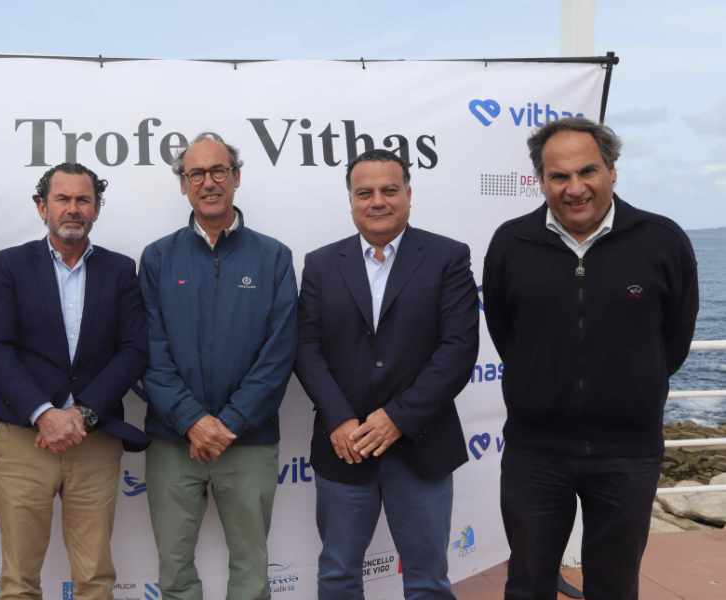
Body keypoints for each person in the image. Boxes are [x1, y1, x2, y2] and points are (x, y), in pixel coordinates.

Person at [482, 117, 699, 600]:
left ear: (612, 171)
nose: (575, 188)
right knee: (528, 585)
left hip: (627, 452)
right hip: (535, 452)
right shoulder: (510, 243)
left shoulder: (662, 240)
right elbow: (505, 331)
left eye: (588, 171)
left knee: (615, 588)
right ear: (541, 180)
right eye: (559, 176)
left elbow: (675, 340)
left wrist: (628, 388)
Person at [295, 148, 479, 600]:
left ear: (408, 194)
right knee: (338, 574)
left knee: (427, 579)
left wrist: (397, 418)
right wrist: (339, 419)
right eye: (365, 192)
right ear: (351, 200)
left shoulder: (448, 257)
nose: (377, 201)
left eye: (389, 190)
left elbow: (457, 350)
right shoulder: (320, 264)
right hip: (345, 445)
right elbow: (306, 347)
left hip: (421, 445)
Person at [139, 132, 298, 600]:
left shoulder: (273, 256)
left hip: (247, 440)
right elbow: (150, 350)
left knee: (251, 569)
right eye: (196, 174)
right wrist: (191, 420)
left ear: (236, 177)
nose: (208, 182)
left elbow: (280, 350)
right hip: (173, 440)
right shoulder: (158, 257)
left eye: (218, 171)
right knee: (174, 569)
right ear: (183, 185)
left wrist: (229, 422)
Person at [0, 162, 148, 600]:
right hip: (24, 439)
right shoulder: (10, 265)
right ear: (42, 207)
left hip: (94, 438)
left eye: (83, 200)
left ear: (96, 209)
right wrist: (44, 413)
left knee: (94, 577)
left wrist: (83, 413)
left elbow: (133, 350)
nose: (72, 209)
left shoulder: (120, 269)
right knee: (18, 580)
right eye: (62, 199)